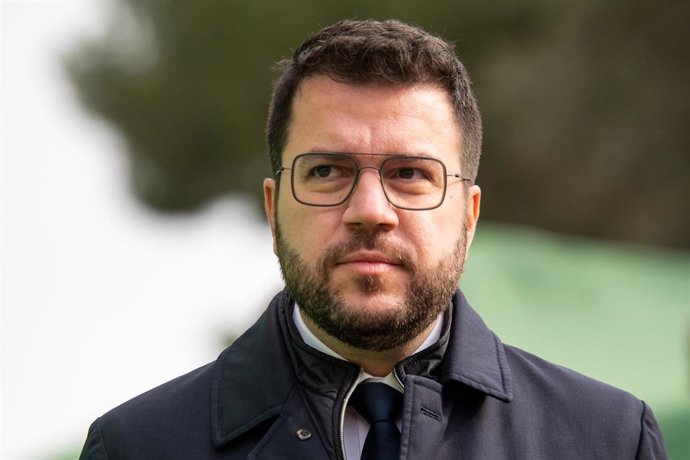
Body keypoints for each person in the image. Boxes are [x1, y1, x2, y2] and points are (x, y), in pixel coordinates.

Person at [79, 19, 667, 459]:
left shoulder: (608, 439)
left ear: (469, 212)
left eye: (410, 174)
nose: (368, 211)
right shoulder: (136, 447)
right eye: (326, 171)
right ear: (272, 207)